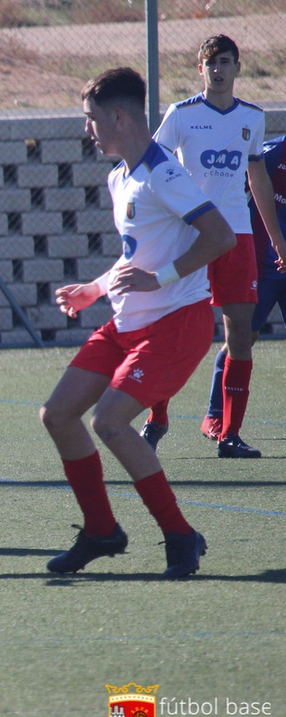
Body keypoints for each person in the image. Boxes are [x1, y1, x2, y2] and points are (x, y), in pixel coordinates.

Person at [42, 67, 235, 579]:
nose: (87, 129)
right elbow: (136, 254)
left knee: (109, 422)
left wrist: (161, 279)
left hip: (175, 324)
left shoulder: (164, 173)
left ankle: (180, 535)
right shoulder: (120, 176)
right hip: (127, 324)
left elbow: (219, 236)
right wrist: (95, 288)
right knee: (57, 415)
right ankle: (101, 530)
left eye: (91, 119)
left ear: (119, 117)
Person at [140, 35, 286, 458]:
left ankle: (229, 434)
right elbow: (155, 166)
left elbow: (257, 179)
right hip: (191, 234)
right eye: (210, 63)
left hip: (237, 236)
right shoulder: (181, 115)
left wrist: (277, 239)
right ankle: (157, 417)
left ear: (238, 67)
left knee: (240, 332)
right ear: (200, 69)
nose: (217, 70)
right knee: (173, 328)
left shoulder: (252, 117)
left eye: (224, 62)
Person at [199, 135, 286, 437]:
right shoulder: (272, 153)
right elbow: (240, 194)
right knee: (242, 338)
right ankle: (215, 416)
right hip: (263, 265)